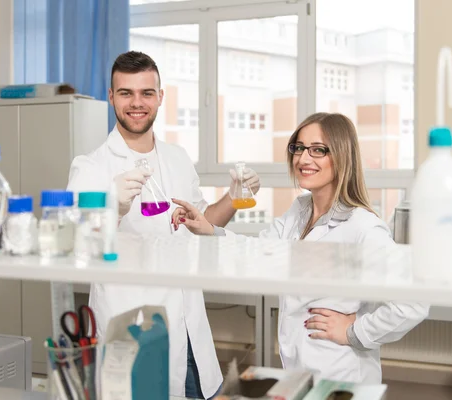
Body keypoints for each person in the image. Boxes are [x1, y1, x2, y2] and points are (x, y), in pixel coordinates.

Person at [171, 112, 429, 384]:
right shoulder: (299, 212)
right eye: (299, 148)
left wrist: (354, 331)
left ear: (341, 156)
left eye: (318, 150)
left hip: (341, 373)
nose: (303, 159)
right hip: (299, 366)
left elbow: (414, 301)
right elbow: (259, 252)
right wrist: (208, 229)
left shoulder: (363, 227)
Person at [66, 51, 260, 399]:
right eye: (125, 93)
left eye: (146, 93)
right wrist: (114, 206)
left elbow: (201, 224)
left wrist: (233, 197)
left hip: (189, 330)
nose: (136, 103)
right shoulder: (91, 168)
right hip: (133, 332)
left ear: (160, 97)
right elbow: (75, 247)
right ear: (111, 97)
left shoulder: (177, 158)